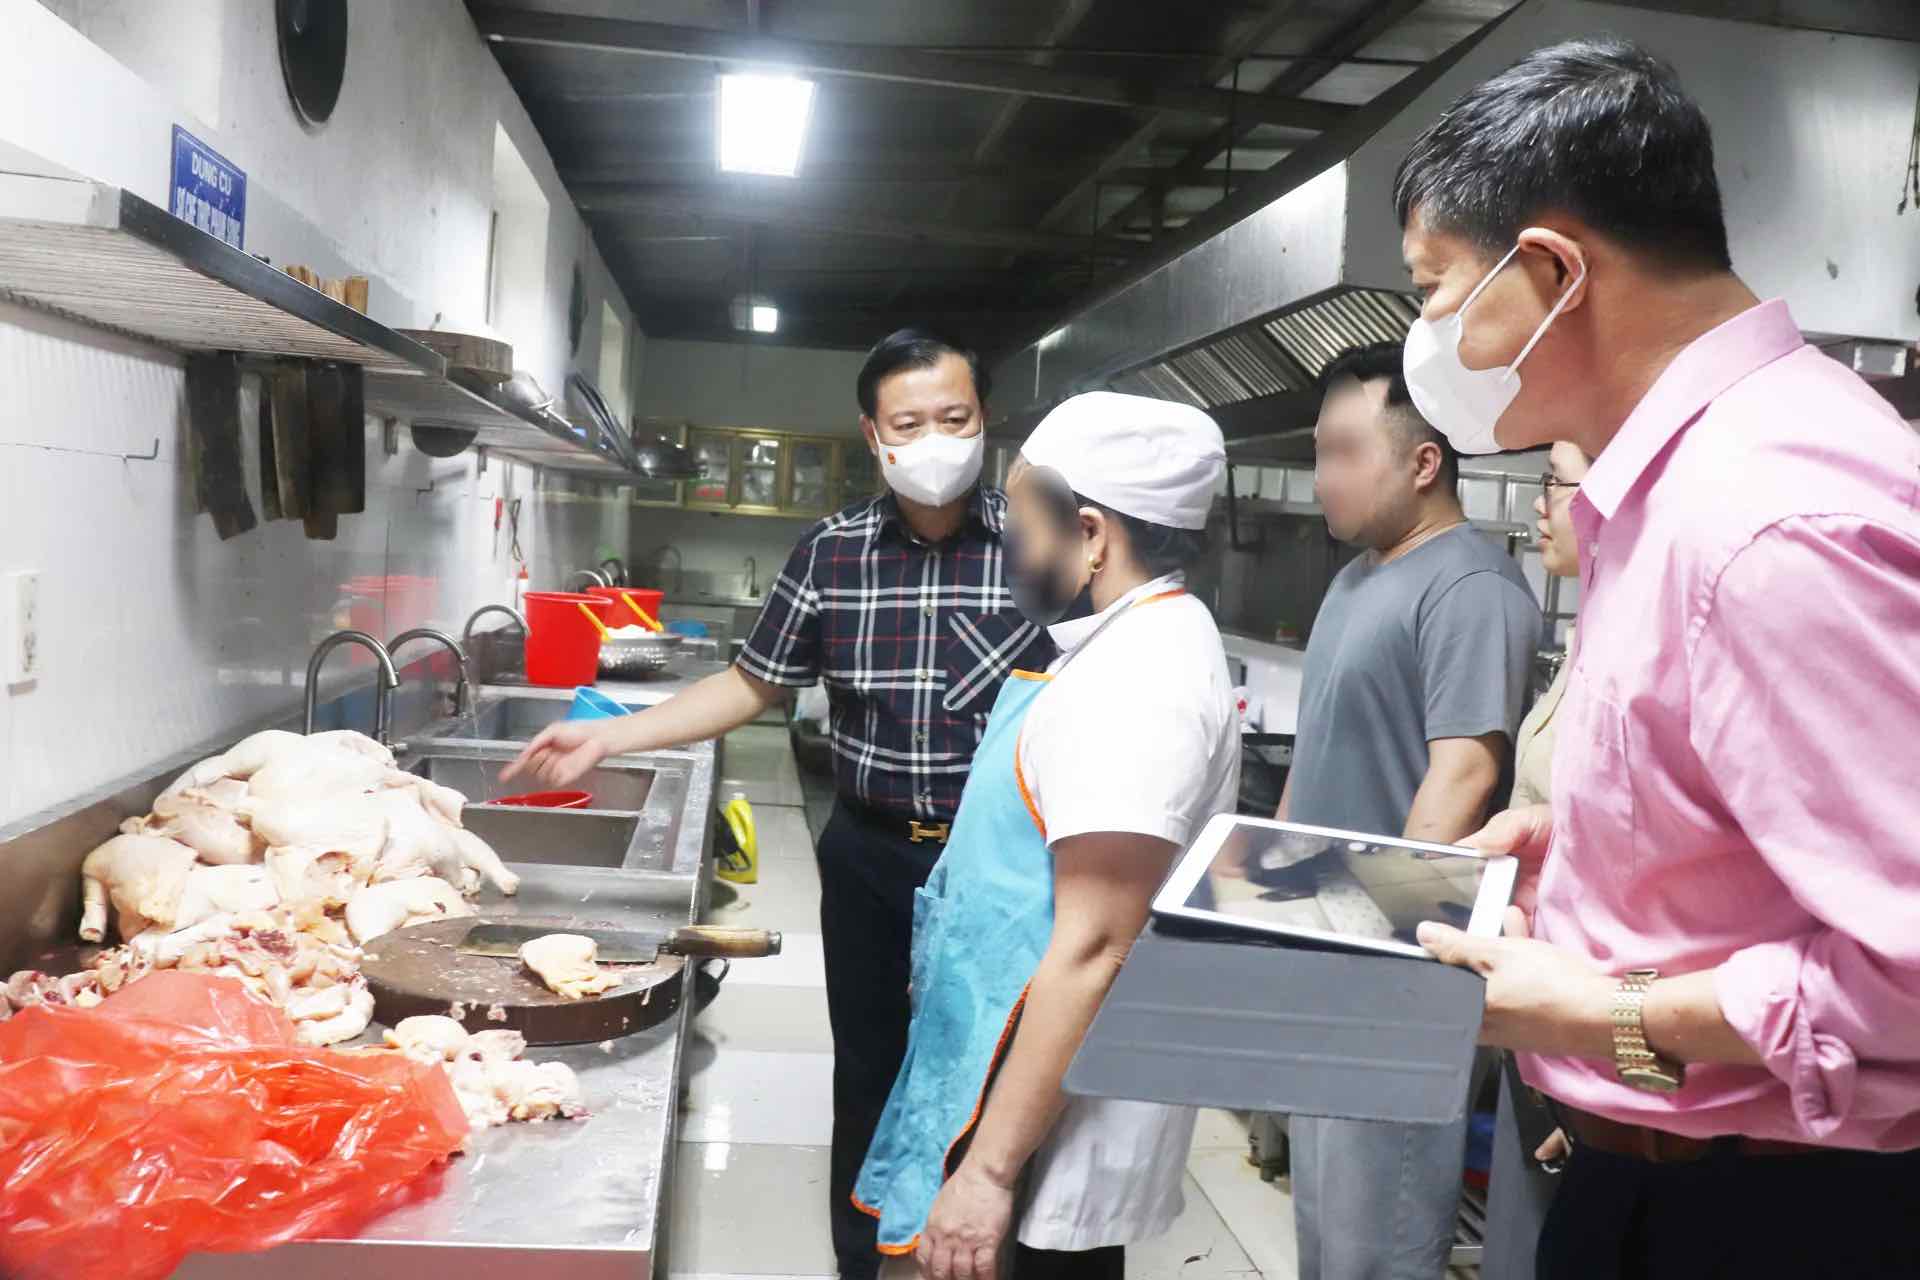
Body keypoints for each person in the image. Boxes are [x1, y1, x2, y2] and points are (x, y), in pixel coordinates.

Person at [1394, 37, 1920, 1278]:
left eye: (1433, 289)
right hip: (1668, 1182)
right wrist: (1587, 844)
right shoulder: (1670, 485)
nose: (1427, 336)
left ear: (1554, 272)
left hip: (1785, 1218)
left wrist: (1595, 1008)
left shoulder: (1768, 519)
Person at [504, 328, 1052, 1280]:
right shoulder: (833, 551)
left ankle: (976, 1247)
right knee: (872, 1067)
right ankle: (866, 1259)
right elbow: (752, 685)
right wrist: (611, 735)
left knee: (994, 1072)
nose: (934, 440)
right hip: (872, 854)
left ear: (987, 421)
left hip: (1001, 864)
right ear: (873, 435)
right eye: (909, 422)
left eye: (954, 419)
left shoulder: (1041, 546)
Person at [852, 392, 1238, 1280]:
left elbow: (1098, 944)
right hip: (993, 1071)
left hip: (1033, 1134)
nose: (1010, 545)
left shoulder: (1142, 679)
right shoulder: (1113, 646)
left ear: (1092, 535)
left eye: (1023, 520)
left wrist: (988, 1172)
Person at [1279, 342, 1542, 1280]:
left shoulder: (1470, 583)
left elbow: (1464, 777)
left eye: (1345, 452)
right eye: (1319, 452)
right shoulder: (1357, 579)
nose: (1322, 479)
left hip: (1389, 967)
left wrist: (1369, 934)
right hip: (1323, 946)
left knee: (1375, 1241)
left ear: (1424, 462)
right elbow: (1320, 768)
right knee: (1325, 1231)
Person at [1481, 442, 1590, 1280]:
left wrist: (1582, 1071)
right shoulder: (1600, 629)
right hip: (1540, 1022)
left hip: (1582, 1037)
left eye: (1557, 482)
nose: (1540, 504)